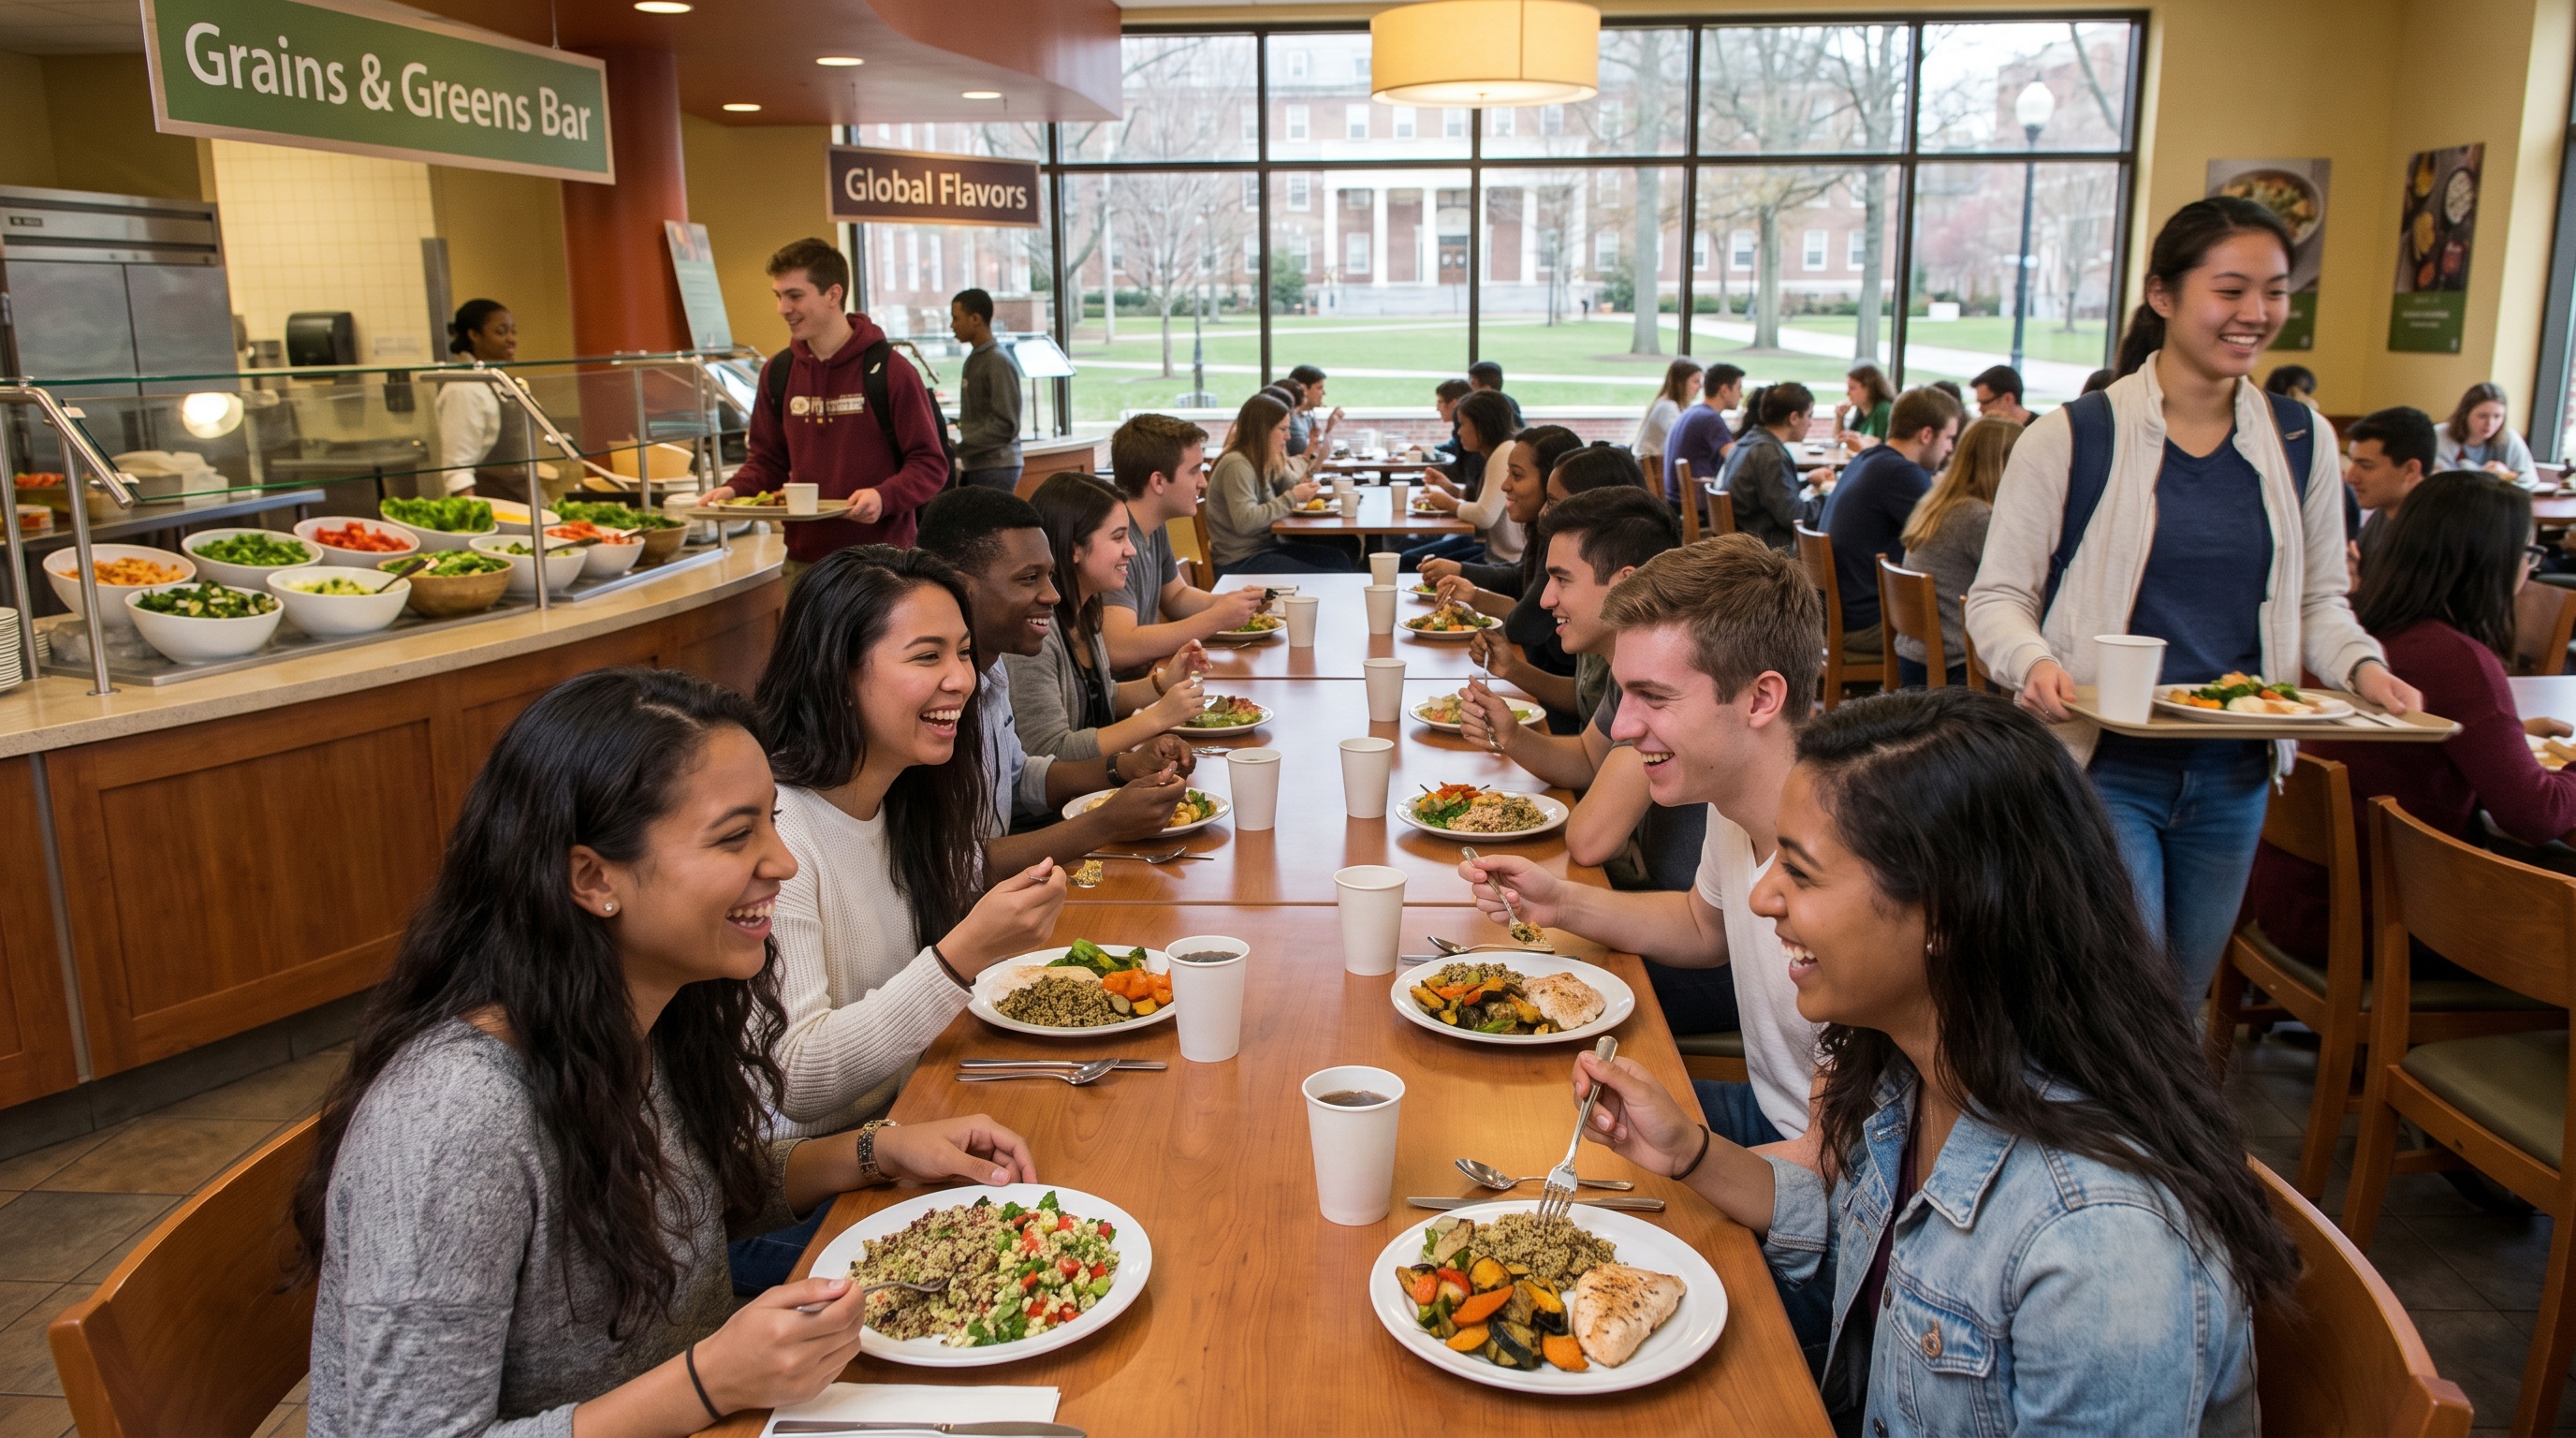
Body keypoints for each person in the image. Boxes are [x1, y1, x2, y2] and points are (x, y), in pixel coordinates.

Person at [296, 666, 1041, 1434]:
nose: (782, 864)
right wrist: (709, 1381)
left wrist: (875, 1152)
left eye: (773, 824)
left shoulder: (646, 1016)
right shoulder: (451, 1121)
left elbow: (686, 1194)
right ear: (592, 877)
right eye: (734, 836)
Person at [1557, 687, 2296, 1433]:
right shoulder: (1919, 1067)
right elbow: (1859, 1235)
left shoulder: (2101, 1246)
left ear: (1945, 913)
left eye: (1802, 872)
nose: (1762, 898)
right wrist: (1689, 1153)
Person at [1966, 196, 2418, 1004]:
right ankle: (2095, 1130)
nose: (2256, 313)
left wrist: (2364, 671)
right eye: (2231, 289)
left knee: (2179, 1000)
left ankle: (2153, 1135)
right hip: (2104, 763)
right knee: (2120, 997)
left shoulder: (2301, 440)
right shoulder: (2075, 435)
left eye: (2274, 292)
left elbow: (2320, 600)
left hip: (2234, 769)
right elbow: (1998, 596)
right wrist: (2030, 660)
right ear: (2164, 296)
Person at [734, 548, 1068, 1292]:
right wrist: (960, 957)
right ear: (838, 672)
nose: (961, 678)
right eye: (927, 656)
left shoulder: (908, 800)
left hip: (904, 1129)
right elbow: (796, 1083)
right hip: (789, 1200)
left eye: (964, 653)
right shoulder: (777, 836)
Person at [1458, 537, 1827, 1153]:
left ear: (1761, 699)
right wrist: (1557, 902)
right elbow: (1701, 924)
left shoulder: (1847, 869)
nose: (1622, 728)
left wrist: (1691, 1160)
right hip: (1769, 1114)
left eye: (1654, 697)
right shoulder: (1737, 797)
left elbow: (1842, 1180)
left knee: (1530, 1135)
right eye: (1625, 694)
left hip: (1811, 1160)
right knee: (1504, 1105)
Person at [2247, 470, 2576, 961]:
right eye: (2526, 556)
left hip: (2291, 900)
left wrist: (2512, 734)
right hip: (2383, 923)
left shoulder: (2351, 637)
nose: (2528, 572)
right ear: (2493, 561)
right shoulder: (2458, 659)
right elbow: (2534, 814)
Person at [915, 487, 1200, 863]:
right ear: (960, 587)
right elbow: (955, 867)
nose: (1053, 595)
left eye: (1048, 576)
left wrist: (1123, 767)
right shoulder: (931, 698)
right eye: (1029, 578)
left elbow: (1018, 779)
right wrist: (1104, 824)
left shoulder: (992, 667)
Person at [700, 239, 951, 581]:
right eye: (779, 296)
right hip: (805, 564)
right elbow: (768, 461)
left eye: (795, 295)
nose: (783, 308)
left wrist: (883, 496)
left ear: (833, 295)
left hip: (882, 565)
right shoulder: (778, 372)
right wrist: (732, 491)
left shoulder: (891, 370)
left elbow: (930, 464)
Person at [1008, 475, 1212, 764]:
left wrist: (1164, 682)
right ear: (1073, 548)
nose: (1131, 549)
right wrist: (1157, 717)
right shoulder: (1033, 633)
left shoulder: (1086, 609)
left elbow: (1102, 697)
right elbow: (1050, 752)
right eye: (1118, 537)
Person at [1099, 413, 1267, 669]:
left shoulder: (1153, 527)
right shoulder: (1114, 539)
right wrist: (1216, 618)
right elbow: (1120, 646)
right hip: (1125, 698)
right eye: (1194, 471)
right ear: (1158, 481)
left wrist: (1235, 604)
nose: (1202, 482)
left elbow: (1176, 596)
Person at [1819, 386, 1965, 671]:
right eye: (1948, 438)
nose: (1950, 449)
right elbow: (1951, 538)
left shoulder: (1869, 460)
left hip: (1835, 616)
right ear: (1926, 434)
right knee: (1966, 633)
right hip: (1865, 624)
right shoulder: (1901, 474)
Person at [1894, 415, 2021, 687]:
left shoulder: (1938, 503)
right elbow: (2021, 580)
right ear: (2005, 464)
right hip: (1957, 668)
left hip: (1915, 658)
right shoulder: (1975, 517)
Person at [1201, 391, 1346, 574]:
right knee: (1334, 574)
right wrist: (1293, 497)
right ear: (1263, 431)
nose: (1288, 437)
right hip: (1239, 561)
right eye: (1282, 429)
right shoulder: (1237, 464)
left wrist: (1300, 477)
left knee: (1339, 559)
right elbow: (1246, 521)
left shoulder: (1260, 459)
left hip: (1263, 550)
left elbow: (1290, 483)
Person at [432, 299, 534, 502]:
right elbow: (458, 469)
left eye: (513, 331)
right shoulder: (463, 388)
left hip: (519, 498)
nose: (511, 339)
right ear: (474, 335)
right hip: (491, 503)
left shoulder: (501, 381)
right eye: (501, 332)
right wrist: (475, 519)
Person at [1407, 391, 1521, 571]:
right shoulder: (1499, 452)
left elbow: (1484, 516)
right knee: (1413, 558)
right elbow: (1488, 503)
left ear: (1482, 425)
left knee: (1412, 562)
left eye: (1462, 424)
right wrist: (1450, 489)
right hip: (1494, 554)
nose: (1458, 432)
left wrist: (1450, 503)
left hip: (1505, 562)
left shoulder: (1504, 453)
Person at [1719, 382, 1831, 551]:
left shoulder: (1749, 441)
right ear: (1794, 418)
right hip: (1766, 552)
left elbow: (1770, 494)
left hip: (1745, 541)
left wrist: (1807, 482)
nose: (1811, 423)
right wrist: (1830, 496)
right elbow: (1796, 517)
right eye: (1809, 415)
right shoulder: (1770, 455)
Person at [2345, 405, 2437, 575]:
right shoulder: (2384, 511)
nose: (2350, 477)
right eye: (2352, 462)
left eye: (2365, 465)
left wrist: (2356, 586)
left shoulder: (2429, 538)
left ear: (2410, 470)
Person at [949, 287, 1023, 492]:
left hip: (996, 467)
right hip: (979, 465)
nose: (952, 326)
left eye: (956, 319)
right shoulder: (975, 358)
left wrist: (960, 447)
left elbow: (1006, 424)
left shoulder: (997, 361)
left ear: (975, 319)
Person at [1662, 362, 1746, 509]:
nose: (1741, 394)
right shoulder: (1710, 418)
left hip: (1677, 502)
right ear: (1724, 390)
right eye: (1739, 388)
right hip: (1696, 505)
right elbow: (1738, 459)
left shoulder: (1693, 412)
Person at [2437, 381, 2541, 490]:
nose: (2490, 423)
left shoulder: (2510, 438)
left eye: (2497, 416)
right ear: (2465, 414)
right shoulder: (2441, 435)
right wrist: (2488, 476)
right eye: (2482, 416)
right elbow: (2441, 481)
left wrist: (2506, 475)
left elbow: (2530, 480)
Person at [1632, 359, 1703, 484]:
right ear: (1681, 383)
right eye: (1696, 381)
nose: (1700, 387)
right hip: (1652, 476)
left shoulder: (1671, 405)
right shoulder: (1667, 407)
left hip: (1656, 472)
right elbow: (1682, 440)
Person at [1831, 362, 1895, 451]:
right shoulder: (1861, 410)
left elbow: (1883, 448)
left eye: (1852, 388)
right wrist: (1839, 417)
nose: (1847, 393)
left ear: (1870, 388)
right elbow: (1840, 440)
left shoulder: (1883, 410)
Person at [1287, 364, 1342, 459]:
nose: (1324, 393)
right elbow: (1312, 458)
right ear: (1303, 389)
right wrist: (1328, 430)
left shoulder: (1307, 416)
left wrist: (1330, 427)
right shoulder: (1291, 421)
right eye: (1319, 388)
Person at [1969, 363, 2034, 426]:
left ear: (2008, 399)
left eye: (1985, 403)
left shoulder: (2040, 432)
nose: (1979, 409)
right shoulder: (1987, 429)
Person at [1469, 359, 1524, 430]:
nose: (1469, 387)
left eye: (1473, 383)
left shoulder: (1484, 411)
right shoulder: (1510, 401)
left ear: (1487, 389)